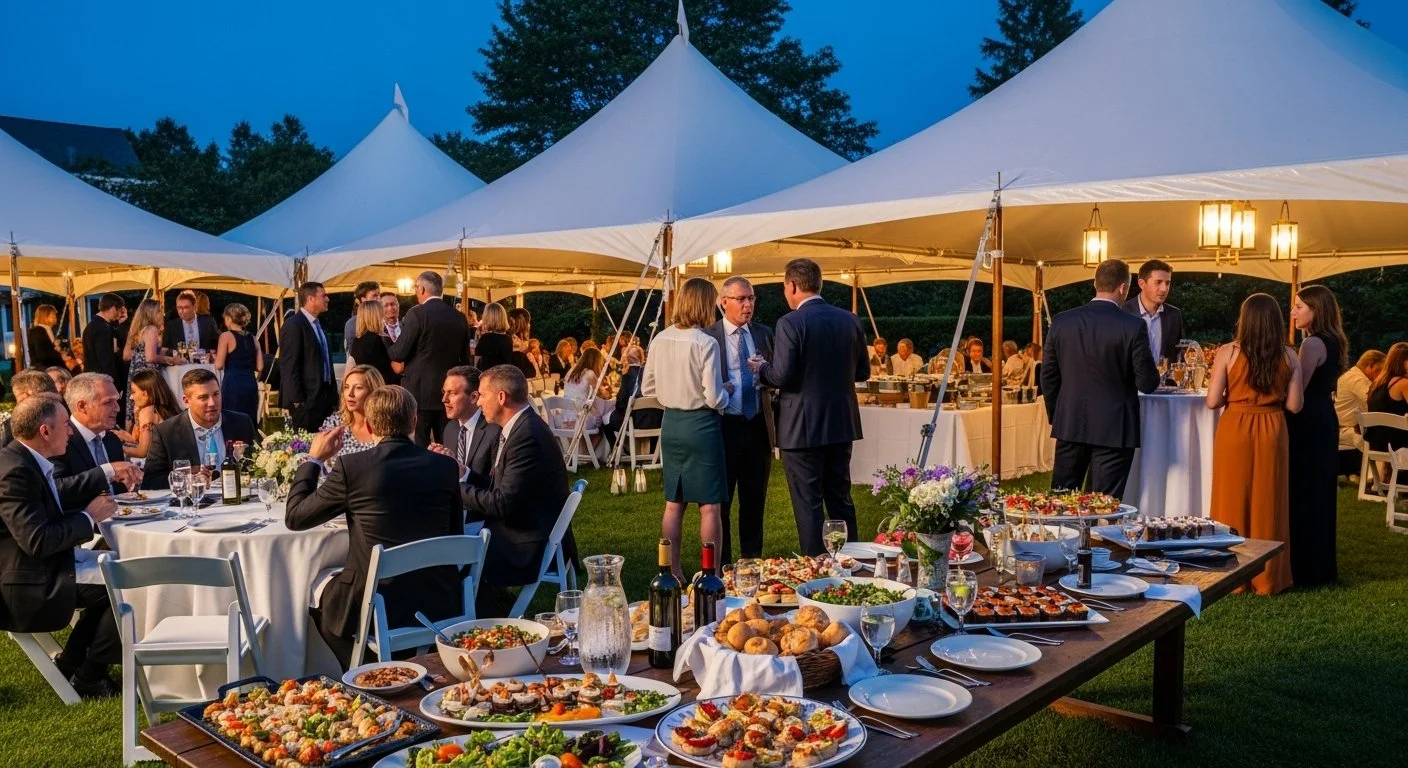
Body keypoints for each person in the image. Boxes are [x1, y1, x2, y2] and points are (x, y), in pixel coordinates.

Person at [285, 385, 464, 668]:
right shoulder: (445, 467)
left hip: (380, 601)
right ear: (414, 421)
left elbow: (295, 517)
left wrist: (313, 459)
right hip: (441, 598)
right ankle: (399, 662)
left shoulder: (352, 467)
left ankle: (365, 668)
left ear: (368, 425)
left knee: (313, 586)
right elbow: (456, 534)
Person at [0, 393, 122, 698]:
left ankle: (70, 663)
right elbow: (37, 541)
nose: (70, 431)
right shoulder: (16, 471)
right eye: (65, 424)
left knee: (120, 561)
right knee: (129, 582)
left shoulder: (23, 459)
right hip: (27, 583)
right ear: (44, 431)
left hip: (45, 565)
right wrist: (87, 516)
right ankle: (90, 675)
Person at [748, 259, 869, 557]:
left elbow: (782, 376)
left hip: (800, 427)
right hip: (841, 423)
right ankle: (850, 563)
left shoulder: (791, 322)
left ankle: (816, 566)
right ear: (819, 284)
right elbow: (863, 372)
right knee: (840, 498)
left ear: (792, 286)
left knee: (809, 503)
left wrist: (762, 368)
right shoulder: (849, 319)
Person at [1206, 294, 1303, 595]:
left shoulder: (1227, 352)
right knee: (1268, 500)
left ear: (1244, 319)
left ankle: (1230, 575)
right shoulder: (1289, 356)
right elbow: (1295, 405)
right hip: (1272, 428)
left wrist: (1231, 397)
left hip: (1235, 426)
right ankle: (1268, 576)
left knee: (1231, 497)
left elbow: (1211, 401)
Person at [1042, 259, 1160, 497]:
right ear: (1123, 288)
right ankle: (1095, 535)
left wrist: (1059, 415)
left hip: (1070, 423)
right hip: (1115, 428)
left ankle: (1065, 535)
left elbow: (1048, 377)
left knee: (1061, 502)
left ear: (1095, 284)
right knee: (1103, 506)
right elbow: (1147, 383)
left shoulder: (1062, 322)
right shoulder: (1133, 326)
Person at [460, 365, 570, 618]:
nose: (479, 404)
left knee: (454, 557)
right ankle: (492, 614)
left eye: (482, 395)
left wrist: (457, 489)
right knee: (457, 548)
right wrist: (465, 475)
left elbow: (501, 504)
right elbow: (505, 488)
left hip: (526, 541)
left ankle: (484, 623)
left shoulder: (526, 435)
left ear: (501, 397)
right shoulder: (522, 426)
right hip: (524, 525)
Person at [705, 276, 775, 563]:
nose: (748, 305)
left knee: (754, 498)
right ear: (724, 302)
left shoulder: (763, 334)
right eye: (741, 299)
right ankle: (723, 565)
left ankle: (751, 560)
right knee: (722, 500)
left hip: (757, 423)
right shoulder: (709, 336)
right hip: (724, 425)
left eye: (751, 298)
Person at [1287, 284, 1349, 588]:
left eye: (1299, 306)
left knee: (1305, 491)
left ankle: (1305, 567)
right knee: (1319, 492)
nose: (1293, 311)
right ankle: (1320, 566)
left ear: (1316, 310)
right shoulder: (1334, 340)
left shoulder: (1312, 344)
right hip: (1325, 418)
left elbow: (1298, 389)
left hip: (1308, 423)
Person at [389, 271, 473, 445]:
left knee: (419, 444)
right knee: (449, 443)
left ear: (421, 289)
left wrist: (385, 344)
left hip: (420, 393)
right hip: (450, 393)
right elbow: (466, 360)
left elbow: (400, 353)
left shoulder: (416, 314)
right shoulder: (459, 317)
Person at [141, 369, 257, 489]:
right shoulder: (166, 432)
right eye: (203, 397)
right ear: (186, 401)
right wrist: (187, 480)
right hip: (193, 503)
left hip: (237, 500)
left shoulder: (241, 423)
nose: (212, 403)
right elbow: (150, 481)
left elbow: (257, 467)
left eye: (216, 394)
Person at [51, 373, 143, 498]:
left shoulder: (112, 440)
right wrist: (107, 471)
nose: (117, 408)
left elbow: (120, 490)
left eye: (117, 400)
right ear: (82, 406)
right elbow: (55, 489)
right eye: (108, 402)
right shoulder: (59, 440)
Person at [279, 281, 337, 433]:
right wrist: (298, 401)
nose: (328, 299)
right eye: (323, 295)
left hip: (323, 400)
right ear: (311, 298)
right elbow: (289, 365)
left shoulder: (318, 326)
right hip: (307, 401)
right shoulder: (294, 325)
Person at [432, 365, 501, 480]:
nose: (444, 399)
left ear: (474, 397)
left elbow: (495, 486)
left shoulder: (495, 430)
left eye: (452, 393)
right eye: (444, 392)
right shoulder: (450, 429)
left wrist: (462, 472)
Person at [124, 299, 180, 424]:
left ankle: (133, 436)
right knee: (150, 404)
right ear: (152, 313)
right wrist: (171, 360)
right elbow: (150, 357)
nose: (162, 314)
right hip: (147, 374)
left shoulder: (136, 329)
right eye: (159, 311)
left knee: (134, 406)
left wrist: (154, 351)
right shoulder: (151, 329)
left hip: (135, 372)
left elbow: (126, 355)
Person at [1123, 259, 1185, 370]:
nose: (1164, 289)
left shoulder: (1174, 315)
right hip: (1130, 386)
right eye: (1158, 282)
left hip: (1165, 385)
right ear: (1142, 284)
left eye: (1167, 283)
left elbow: (1178, 355)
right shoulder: (1122, 312)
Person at [600, 345, 662, 449]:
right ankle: (652, 453)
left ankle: (619, 449)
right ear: (642, 358)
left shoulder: (627, 375)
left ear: (626, 359)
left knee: (605, 421)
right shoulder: (652, 373)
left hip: (635, 423)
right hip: (656, 421)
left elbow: (621, 404)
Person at [318, 365, 386, 459]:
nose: (350, 394)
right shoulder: (334, 424)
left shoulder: (388, 427)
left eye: (358, 388)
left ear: (373, 392)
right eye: (346, 387)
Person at [1336, 349, 1386, 476]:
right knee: (1371, 441)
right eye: (1381, 370)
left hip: (1349, 427)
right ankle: (1376, 480)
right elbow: (1375, 401)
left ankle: (1377, 478)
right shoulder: (1356, 379)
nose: (1383, 375)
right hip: (1343, 429)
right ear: (1371, 366)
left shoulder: (1355, 376)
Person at [1364, 342, 1408, 482]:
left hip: (1376, 443)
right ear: (1403, 361)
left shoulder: (1377, 383)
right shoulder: (1402, 383)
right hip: (1397, 444)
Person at [215, 303, 262, 429]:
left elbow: (219, 364)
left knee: (232, 420)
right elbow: (260, 367)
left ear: (229, 319)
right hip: (250, 383)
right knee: (249, 420)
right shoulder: (253, 339)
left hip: (233, 383)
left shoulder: (226, 336)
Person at [122, 369, 181, 459]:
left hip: (159, 466)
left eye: (134, 392)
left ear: (145, 394)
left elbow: (142, 452)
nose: (131, 397)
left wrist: (116, 449)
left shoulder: (148, 412)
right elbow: (136, 440)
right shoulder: (167, 409)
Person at [348, 301, 398, 386]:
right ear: (377, 316)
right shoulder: (382, 339)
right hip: (386, 388)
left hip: (367, 388)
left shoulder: (356, 341)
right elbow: (397, 367)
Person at [81, 293, 125, 380]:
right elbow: (105, 360)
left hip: (92, 375)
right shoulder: (102, 329)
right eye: (120, 310)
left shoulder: (94, 325)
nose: (120, 315)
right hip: (101, 379)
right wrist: (114, 381)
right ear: (113, 308)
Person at [563, 348, 610, 429]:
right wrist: (608, 389)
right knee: (605, 420)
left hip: (566, 418)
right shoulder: (589, 374)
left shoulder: (571, 371)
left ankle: (584, 441)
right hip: (580, 420)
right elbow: (602, 394)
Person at [342, 281, 380, 354]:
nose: (379, 298)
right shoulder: (353, 323)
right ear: (363, 299)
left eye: (379, 295)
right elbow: (354, 353)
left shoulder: (382, 320)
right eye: (374, 295)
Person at [474, 303, 514, 371]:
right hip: (503, 376)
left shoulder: (486, 338)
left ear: (488, 317)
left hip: (488, 377)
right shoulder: (508, 339)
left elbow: (477, 360)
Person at [28, 304, 66, 370]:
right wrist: (57, 353)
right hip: (44, 368)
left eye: (55, 315)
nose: (55, 317)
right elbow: (40, 353)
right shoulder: (37, 331)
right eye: (52, 315)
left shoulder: (48, 330)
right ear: (44, 316)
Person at [507, 307, 536, 377]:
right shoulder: (514, 339)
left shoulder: (514, 338)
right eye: (528, 322)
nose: (530, 325)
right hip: (517, 374)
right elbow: (518, 358)